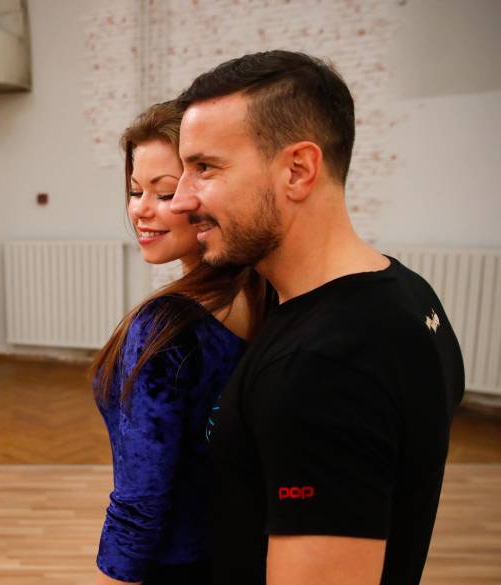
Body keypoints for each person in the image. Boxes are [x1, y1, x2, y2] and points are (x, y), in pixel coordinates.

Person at [170, 50, 465, 585]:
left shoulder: (323, 367)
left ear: (298, 170)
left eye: (205, 168)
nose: (179, 200)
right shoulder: (406, 292)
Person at [91, 101, 267, 585]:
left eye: (164, 193)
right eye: (135, 191)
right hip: (235, 552)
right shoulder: (263, 292)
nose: (140, 210)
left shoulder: (164, 327)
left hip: (174, 565)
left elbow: (140, 502)